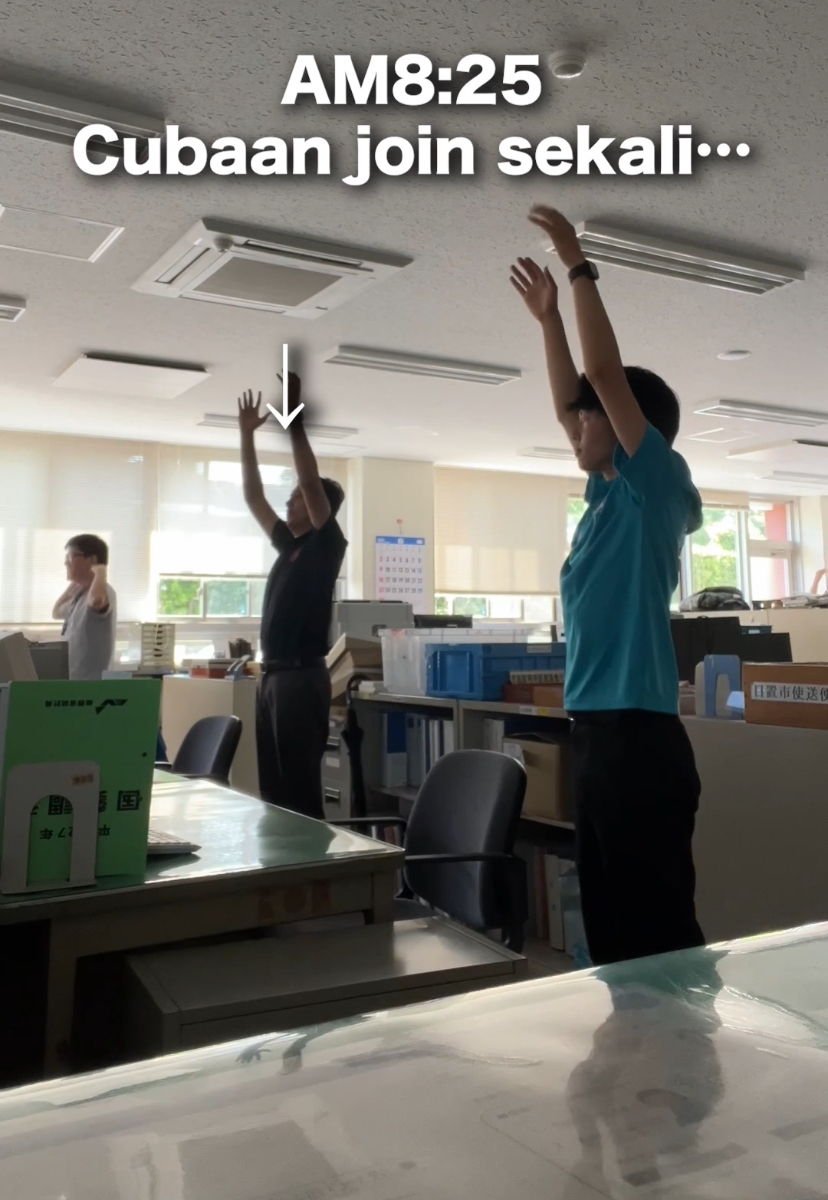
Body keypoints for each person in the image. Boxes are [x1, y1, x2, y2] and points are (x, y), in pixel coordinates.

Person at [510, 205, 705, 967]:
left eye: (592, 421)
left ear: (630, 428)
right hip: (593, 733)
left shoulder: (655, 486)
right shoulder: (601, 503)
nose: (575, 428)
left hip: (640, 739)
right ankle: (630, 1072)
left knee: (656, 933)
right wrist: (547, 322)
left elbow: (601, 378)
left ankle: (685, 1076)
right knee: (611, 926)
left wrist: (575, 262)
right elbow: (573, 400)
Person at [238, 369, 347, 819]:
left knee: (299, 794)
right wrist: (246, 436)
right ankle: (280, 878)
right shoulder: (290, 545)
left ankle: (311, 881)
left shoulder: (325, 545)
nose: (290, 502)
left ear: (319, 506)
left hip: (301, 680)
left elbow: (309, 477)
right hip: (273, 679)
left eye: (299, 498)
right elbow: (253, 497)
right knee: (274, 794)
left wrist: (295, 420)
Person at [52, 534, 116, 681]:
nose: (65, 562)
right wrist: (74, 583)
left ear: (92, 560)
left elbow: (98, 601)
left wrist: (100, 571)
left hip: (91, 686)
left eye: (71, 556)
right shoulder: (79, 595)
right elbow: (56, 612)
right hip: (73, 681)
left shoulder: (104, 591)